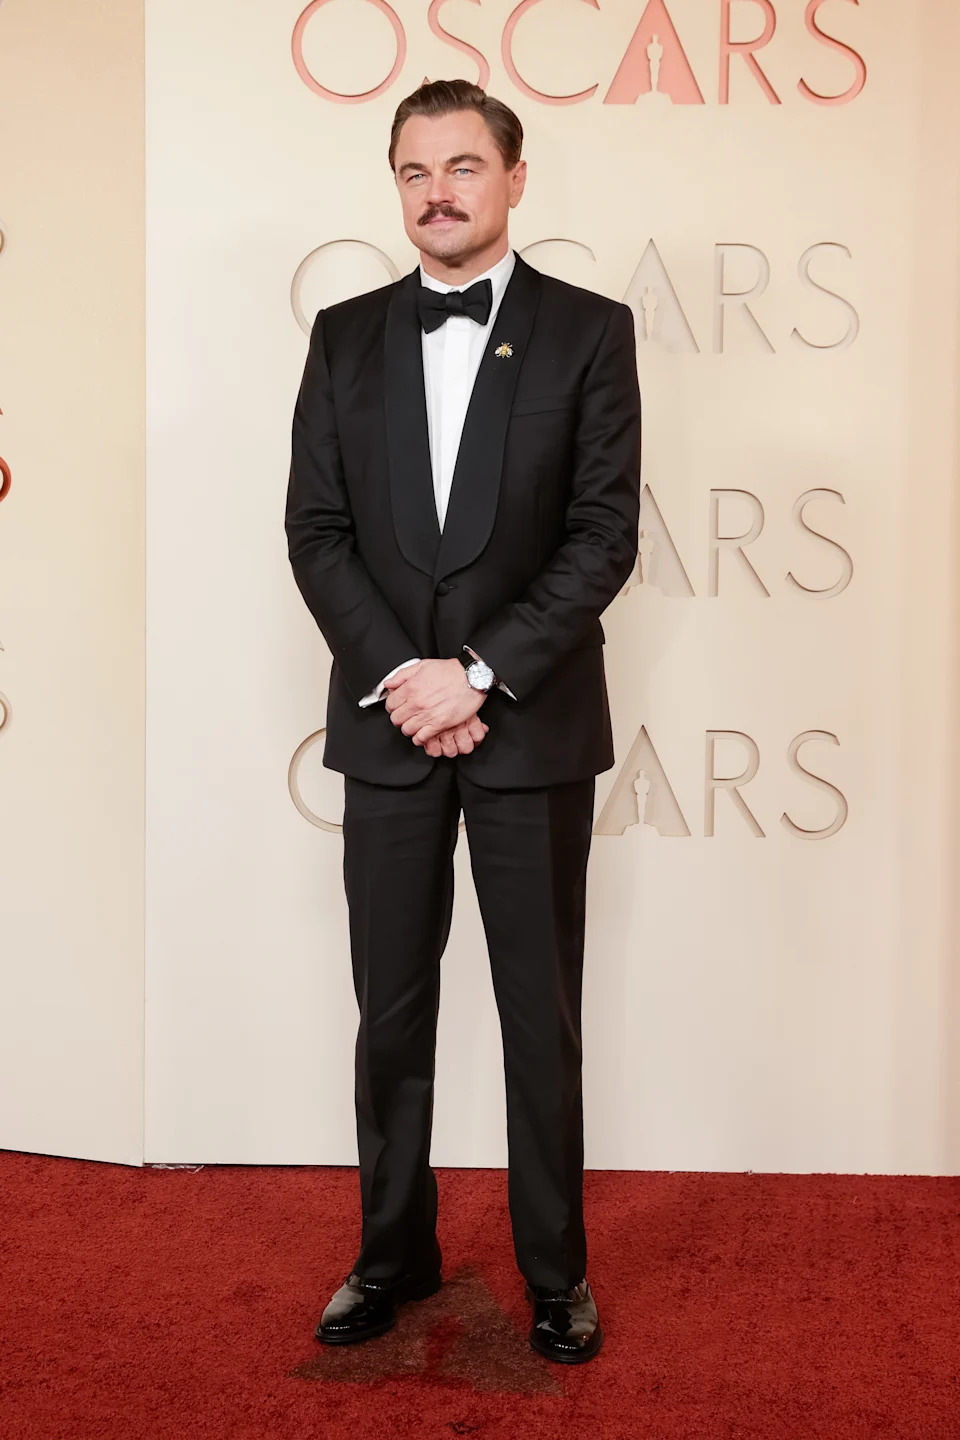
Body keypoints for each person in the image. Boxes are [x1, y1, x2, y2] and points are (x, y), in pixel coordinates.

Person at [285, 78, 641, 1365]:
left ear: (515, 178)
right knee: (391, 1008)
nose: (438, 191)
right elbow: (315, 533)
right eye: (414, 171)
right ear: (397, 187)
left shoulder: (592, 332)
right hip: (390, 727)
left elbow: (604, 537)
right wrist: (407, 680)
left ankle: (557, 1273)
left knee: (538, 1010)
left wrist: (477, 673)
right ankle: (391, 1255)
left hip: (529, 727)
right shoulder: (341, 337)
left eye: (464, 167)